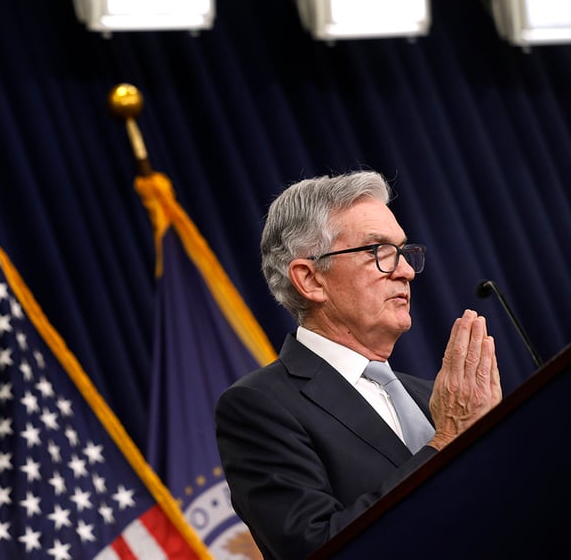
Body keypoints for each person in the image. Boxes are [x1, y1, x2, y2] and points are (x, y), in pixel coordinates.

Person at [214, 170, 502, 559]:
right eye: (377, 251)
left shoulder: (436, 397)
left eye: (403, 251)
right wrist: (446, 443)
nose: (405, 271)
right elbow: (318, 545)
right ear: (310, 279)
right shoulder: (259, 406)